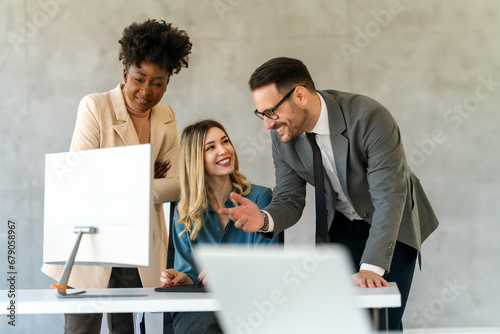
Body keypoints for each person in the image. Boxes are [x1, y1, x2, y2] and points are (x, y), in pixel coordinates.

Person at [218, 57, 439, 330]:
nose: (267, 125)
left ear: (299, 95)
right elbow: (290, 197)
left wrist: (370, 268)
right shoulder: (282, 136)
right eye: (261, 114)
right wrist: (264, 219)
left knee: (380, 322)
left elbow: (389, 198)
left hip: (392, 225)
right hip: (342, 227)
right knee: (339, 321)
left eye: (271, 112)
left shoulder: (369, 118)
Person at [41, 19, 192, 334]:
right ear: (125, 73)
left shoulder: (166, 116)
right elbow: (80, 179)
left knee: (128, 329)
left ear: (168, 83)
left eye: (158, 82)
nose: (146, 90)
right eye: (139, 78)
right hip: (90, 241)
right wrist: (146, 175)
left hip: (137, 246)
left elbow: (177, 185)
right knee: (82, 329)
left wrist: (121, 178)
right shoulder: (95, 107)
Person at [160, 120, 278, 334]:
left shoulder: (260, 198)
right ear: (196, 159)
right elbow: (189, 273)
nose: (224, 150)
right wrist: (182, 278)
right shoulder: (184, 210)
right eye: (211, 147)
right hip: (198, 307)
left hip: (248, 303)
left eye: (225, 142)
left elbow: (268, 267)